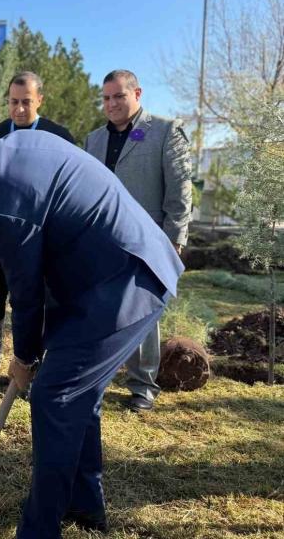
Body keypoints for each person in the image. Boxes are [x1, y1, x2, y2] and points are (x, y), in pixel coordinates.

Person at [0, 123, 183, 537]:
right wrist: (38, 349)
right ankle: (85, 507)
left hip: (125, 281)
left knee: (55, 397)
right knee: (76, 394)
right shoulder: (13, 147)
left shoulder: (0, 202)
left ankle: (39, 529)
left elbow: (24, 290)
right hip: (100, 277)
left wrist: (23, 357)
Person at [85, 69, 192, 412]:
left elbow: (180, 192)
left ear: (137, 94)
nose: (112, 103)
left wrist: (174, 240)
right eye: (106, 98)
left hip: (149, 241)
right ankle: (99, 376)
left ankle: (143, 385)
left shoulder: (163, 130)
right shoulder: (94, 140)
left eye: (119, 96)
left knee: (141, 314)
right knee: (101, 309)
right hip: (102, 240)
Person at [0, 71, 75, 382]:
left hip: (41, 236)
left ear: (40, 100)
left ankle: (35, 359)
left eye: (26, 102)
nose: (18, 109)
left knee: (36, 297)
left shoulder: (59, 136)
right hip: (0, 237)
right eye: (13, 102)